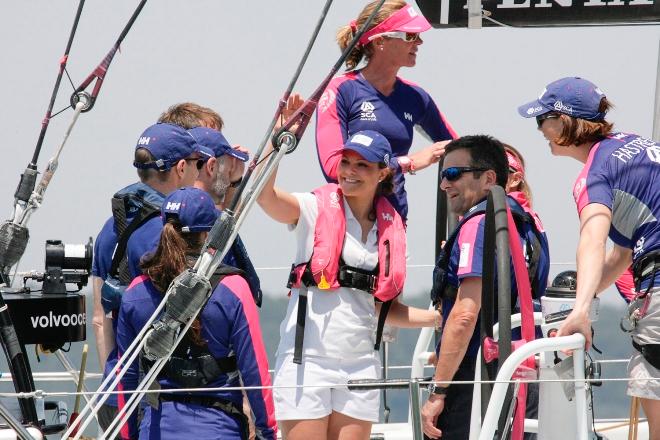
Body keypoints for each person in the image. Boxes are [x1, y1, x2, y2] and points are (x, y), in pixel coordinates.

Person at [257, 129, 441, 440]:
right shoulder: (314, 208)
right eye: (346, 162)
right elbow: (266, 196)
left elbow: (384, 309)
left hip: (360, 364)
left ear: (382, 173)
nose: (349, 171)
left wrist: (438, 318)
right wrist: (277, 141)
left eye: (362, 165)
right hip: (306, 363)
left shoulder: (391, 228)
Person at [517, 76, 660, 439]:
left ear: (563, 124)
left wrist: (580, 311)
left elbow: (592, 240)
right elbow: (622, 254)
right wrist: (584, 293)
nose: (540, 131)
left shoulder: (595, 173)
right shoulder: (638, 146)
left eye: (542, 121)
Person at [116, 187, 276, 440]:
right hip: (219, 428)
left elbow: (125, 377)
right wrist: (269, 433)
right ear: (208, 232)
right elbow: (255, 370)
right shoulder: (233, 289)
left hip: (156, 429)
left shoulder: (136, 292)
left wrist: (129, 436)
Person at [421, 135, 549, 440]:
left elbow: (465, 315)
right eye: (442, 175)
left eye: (453, 174)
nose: (444, 185)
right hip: (523, 374)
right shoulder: (528, 223)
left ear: (488, 178)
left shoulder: (477, 225)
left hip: (480, 379)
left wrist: (438, 391)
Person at [91, 121, 211, 434]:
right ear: (182, 167)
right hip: (160, 394)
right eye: (198, 165)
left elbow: (100, 318)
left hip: (115, 387)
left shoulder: (110, 227)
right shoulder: (172, 232)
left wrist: (113, 375)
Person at [316, 0, 456, 221]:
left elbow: (459, 148)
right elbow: (334, 169)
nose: (419, 41)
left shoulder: (416, 97)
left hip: (394, 220)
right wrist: (407, 163)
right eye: (410, 35)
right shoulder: (341, 90)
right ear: (380, 40)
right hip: (346, 223)